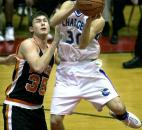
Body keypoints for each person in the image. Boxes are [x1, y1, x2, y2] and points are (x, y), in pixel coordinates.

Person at [49, 1, 142, 130]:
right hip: (66, 71)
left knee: (119, 108)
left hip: (89, 70)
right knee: (55, 121)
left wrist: (88, 22)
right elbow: (52, 22)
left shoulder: (99, 19)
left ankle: (123, 116)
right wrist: (74, 7)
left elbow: (82, 45)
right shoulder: (67, 5)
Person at [2, 11, 59, 130]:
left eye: (45, 21)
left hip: (37, 109)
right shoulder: (28, 44)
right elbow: (38, 67)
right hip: (17, 106)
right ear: (31, 29)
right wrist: (55, 42)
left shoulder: (52, 50)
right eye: (38, 21)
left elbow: (69, 65)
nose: (43, 23)